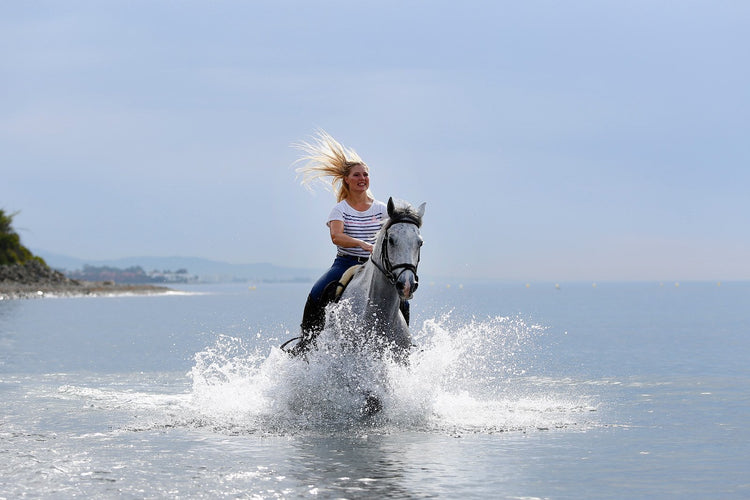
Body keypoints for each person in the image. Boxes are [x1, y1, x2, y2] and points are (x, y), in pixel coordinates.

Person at [286, 130, 389, 355]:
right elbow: (336, 237)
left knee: (401, 299)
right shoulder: (340, 209)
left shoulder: (381, 208)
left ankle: (402, 346)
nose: (362, 179)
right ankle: (306, 342)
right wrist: (362, 244)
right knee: (318, 291)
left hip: (375, 265)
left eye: (366, 174)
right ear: (346, 179)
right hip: (346, 262)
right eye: (357, 175)